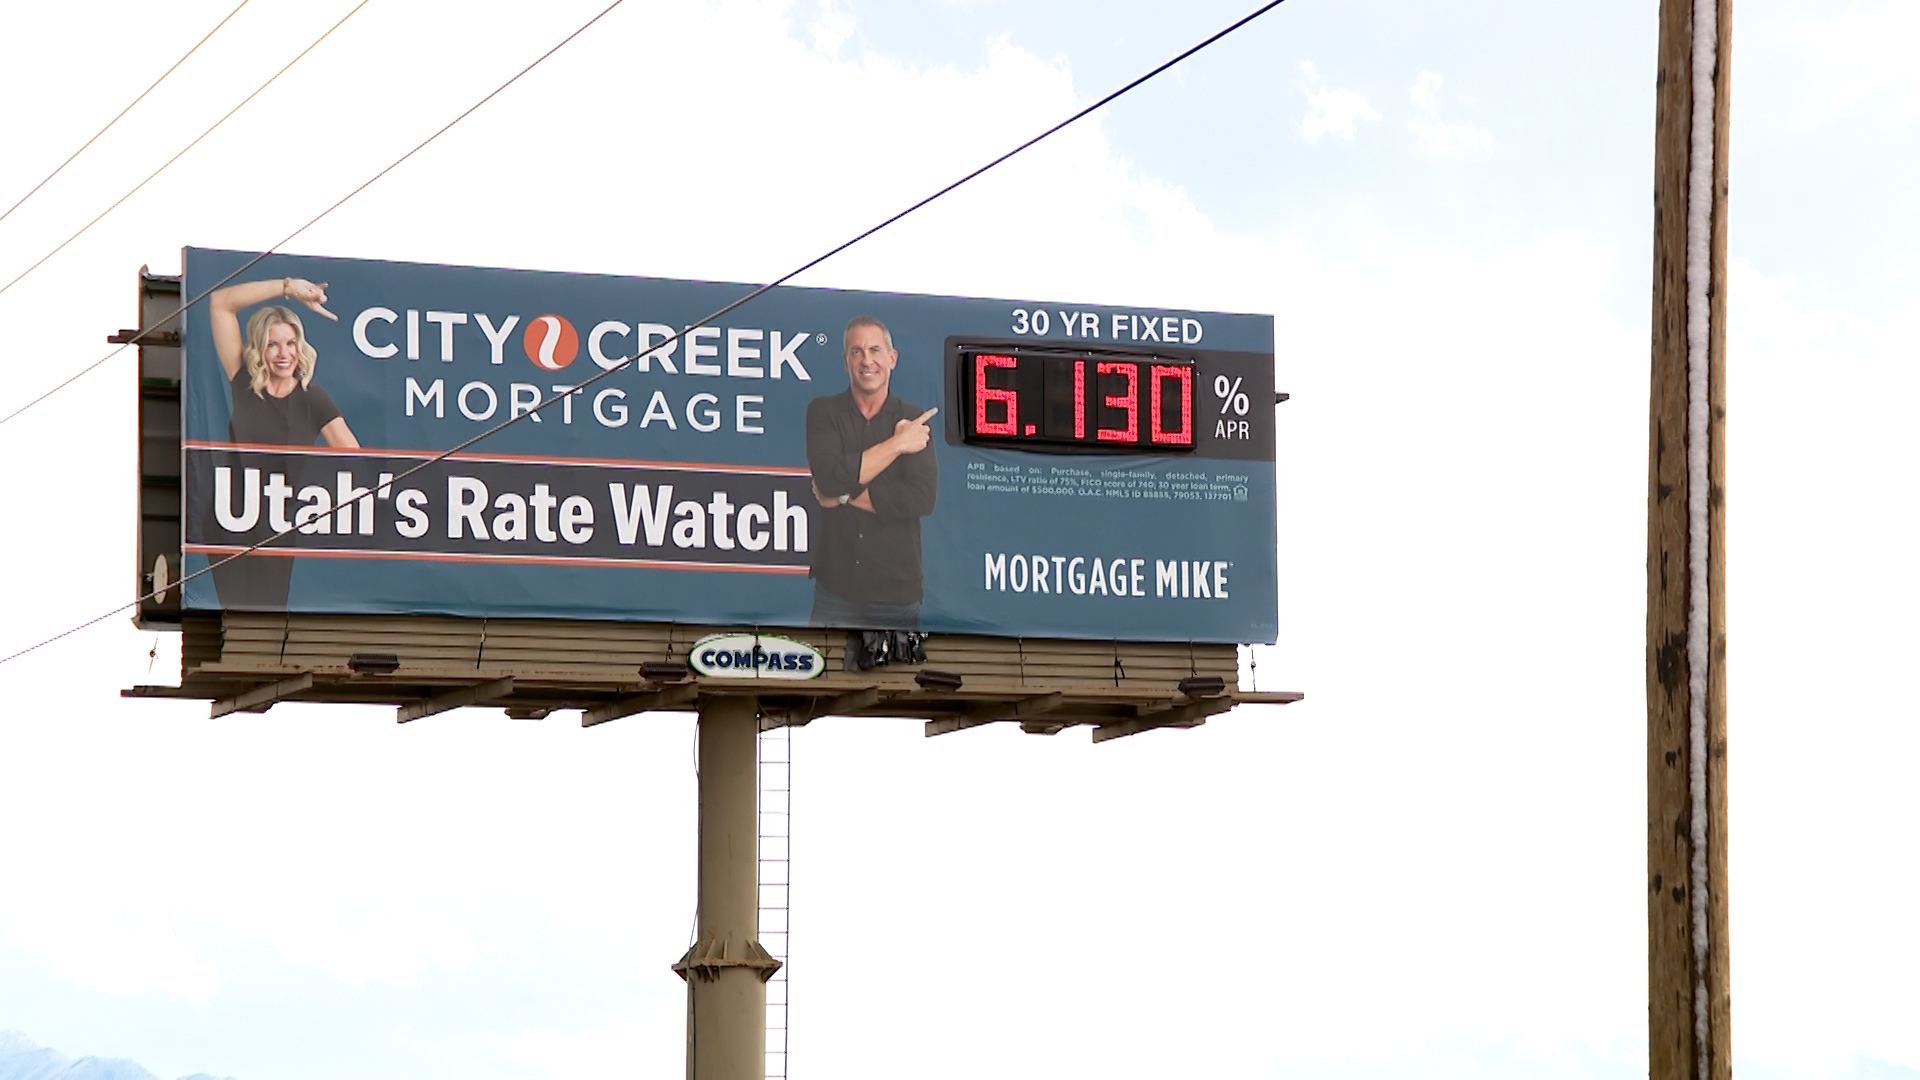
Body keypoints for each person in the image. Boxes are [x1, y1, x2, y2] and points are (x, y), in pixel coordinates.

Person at [205, 276, 360, 609]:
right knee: (233, 619)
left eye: (290, 343)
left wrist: (315, 500)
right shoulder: (244, 382)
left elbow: (355, 461)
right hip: (228, 525)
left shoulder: (313, 399)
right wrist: (288, 287)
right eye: (272, 344)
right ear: (259, 349)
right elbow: (220, 303)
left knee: (266, 620)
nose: (283, 353)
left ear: (300, 347)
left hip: (276, 529)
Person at [805, 315, 938, 629]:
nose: (867, 360)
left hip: (896, 596)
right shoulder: (823, 412)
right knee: (822, 665)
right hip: (835, 589)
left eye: (875, 350)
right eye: (857, 351)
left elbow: (921, 498)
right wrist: (897, 444)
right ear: (846, 361)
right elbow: (828, 478)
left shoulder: (913, 418)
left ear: (892, 358)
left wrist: (842, 496)